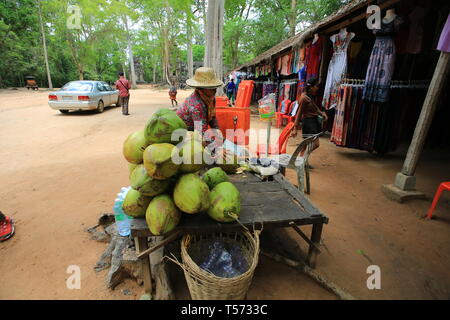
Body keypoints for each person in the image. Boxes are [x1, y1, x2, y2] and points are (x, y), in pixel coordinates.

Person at [292, 77, 328, 158]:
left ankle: (303, 160)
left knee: (306, 144)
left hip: (313, 121)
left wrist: (322, 113)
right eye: (316, 86)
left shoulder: (310, 96)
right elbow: (299, 113)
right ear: (311, 87)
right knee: (315, 144)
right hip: (308, 123)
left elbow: (315, 107)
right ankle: (303, 159)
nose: (317, 88)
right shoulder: (304, 98)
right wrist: (295, 128)